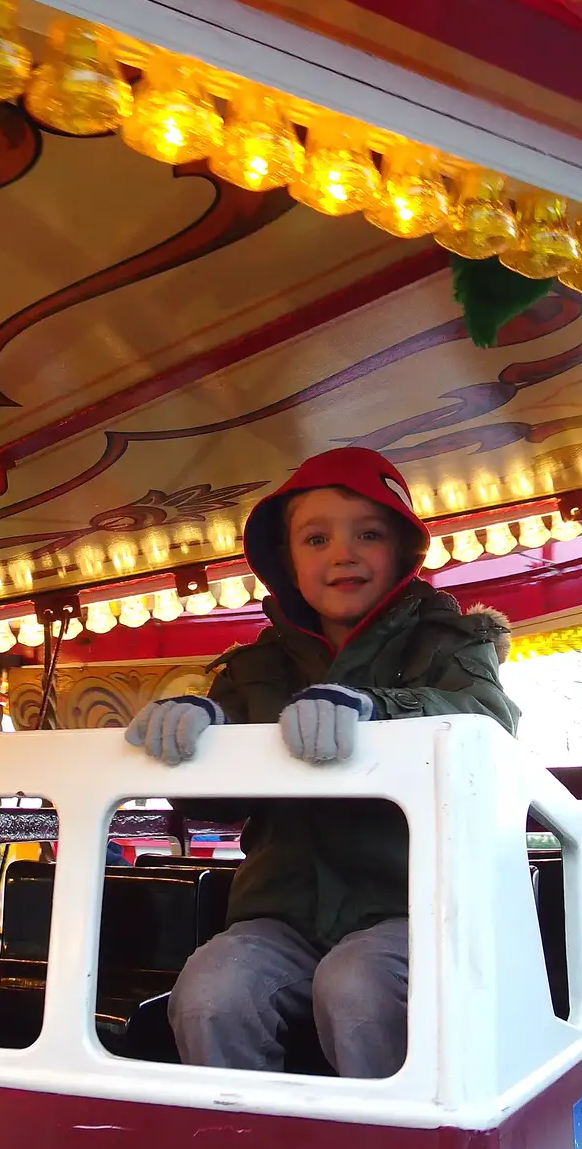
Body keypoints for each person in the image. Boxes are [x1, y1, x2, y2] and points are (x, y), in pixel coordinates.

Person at [125, 447, 517, 1078]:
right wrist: (198, 735)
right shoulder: (253, 669)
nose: (343, 553)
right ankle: (248, 1144)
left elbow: (488, 723)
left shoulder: (450, 643)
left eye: (369, 533)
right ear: (288, 561)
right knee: (209, 994)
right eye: (316, 538)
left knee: (357, 987)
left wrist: (374, 708)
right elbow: (212, 808)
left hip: (413, 905)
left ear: (403, 552)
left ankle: (392, 1148)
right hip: (282, 914)